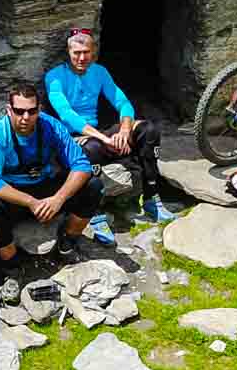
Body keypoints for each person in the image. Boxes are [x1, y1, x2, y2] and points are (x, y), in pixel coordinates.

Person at [43, 26, 176, 224]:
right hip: (71, 137)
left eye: (86, 52)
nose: (82, 58)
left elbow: (123, 103)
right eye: (76, 53)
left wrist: (124, 130)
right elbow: (67, 115)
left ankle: (151, 198)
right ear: (68, 52)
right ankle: (94, 213)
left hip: (97, 132)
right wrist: (104, 138)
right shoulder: (54, 77)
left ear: (93, 51)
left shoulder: (99, 72)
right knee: (93, 147)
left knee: (148, 130)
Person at [0, 80, 108, 259]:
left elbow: (81, 165)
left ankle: (68, 241)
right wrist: (32, 202)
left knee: (94, 185)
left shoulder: (51, 126)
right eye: (19, 111)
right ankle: (11, 263)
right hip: (15, 195)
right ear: (9, 110)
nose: (25, 117)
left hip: (45, 186)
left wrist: (58, 199)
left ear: (39, 109)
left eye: (31, 111)